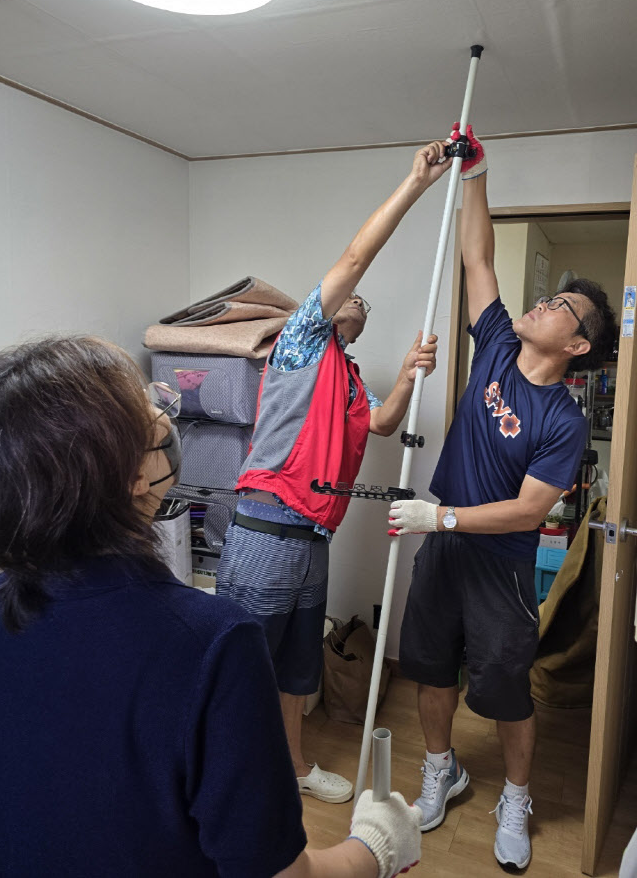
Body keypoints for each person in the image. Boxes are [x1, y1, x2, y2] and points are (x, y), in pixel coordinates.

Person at [0, 335, 422, 878]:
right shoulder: (214, 643)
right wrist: (378, 844)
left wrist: (406, 373)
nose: (164, 413)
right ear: (134, 475)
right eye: (146, 407)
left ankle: (295, 764)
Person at [388, 126, 618, 870]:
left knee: (507, 688)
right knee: (429, 668)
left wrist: (440, 514)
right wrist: (477, 173)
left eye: (560, 307)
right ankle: (441, 767)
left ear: (577, 345)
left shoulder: (565, 418)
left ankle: (516, 795)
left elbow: (527, 510)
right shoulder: (493, 342)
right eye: (548, 295)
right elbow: (477, 255)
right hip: (444, 548)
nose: (543, 303)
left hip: (500, 564)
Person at [215, 143, 449, 804]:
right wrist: (414, 183)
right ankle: (227, 784)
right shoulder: (297, 343)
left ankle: (290, 768)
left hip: (314, 540)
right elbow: (353, 261)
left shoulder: (347, 377)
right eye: (350, 299)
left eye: (362, 309)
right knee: (240, 670)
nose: (356, 303)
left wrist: (407, 372)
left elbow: (381, 423)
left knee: (295, 672)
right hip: (264, 534)